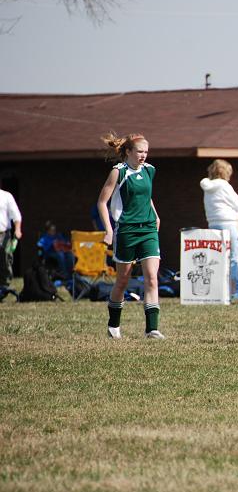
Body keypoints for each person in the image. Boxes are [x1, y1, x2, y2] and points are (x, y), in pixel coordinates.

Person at [96, 132, 165, 339]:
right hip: (126, 230)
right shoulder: (118, 172)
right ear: (128, 152)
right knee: (122, 281)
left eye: (146, 152)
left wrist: (156, 214)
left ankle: (152, 329)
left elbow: (146, 196)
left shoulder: (150, 170)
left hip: (149, 229)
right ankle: (114, 325)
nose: (143, 155)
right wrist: (109, 230)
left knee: (152, 278)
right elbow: (101, 203)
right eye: (139, 151)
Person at [200, 159, 238, 299]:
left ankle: (219, 291)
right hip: (229, 224)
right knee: (234, 258)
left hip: (213, 224)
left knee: (218, 258)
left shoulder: (208, 187)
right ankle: (234, 292)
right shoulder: (224, 185)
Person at [0, 187, 22, 288]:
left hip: (4, 234)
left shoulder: (6, 196)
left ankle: (4, 286)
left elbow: (16, 215)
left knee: (5, 259)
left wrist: (17, 229)